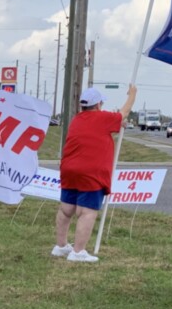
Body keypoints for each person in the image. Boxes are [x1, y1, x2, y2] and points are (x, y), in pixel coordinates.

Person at [52, 85, 137, 262]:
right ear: (98, 105)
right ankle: (78, 251)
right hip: (91, 172)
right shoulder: (102, 117)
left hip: (69, 168)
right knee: (87, 212)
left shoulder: (77, 119)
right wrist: (132, 95)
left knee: (66, 209)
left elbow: (98, 133)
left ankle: (60, 246)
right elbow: (124, 112)